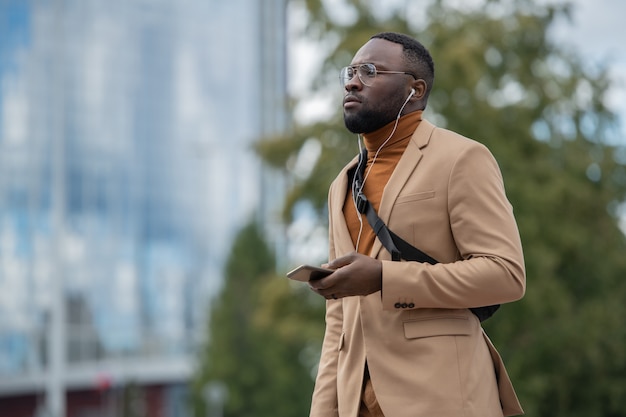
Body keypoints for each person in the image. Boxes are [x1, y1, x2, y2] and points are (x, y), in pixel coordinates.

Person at [307, 32, 526, 417]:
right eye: (351, 71)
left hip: (442, 398)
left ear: (415, 89)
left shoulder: (462, 158)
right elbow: (338, 322)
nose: (353, 81)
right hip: (355, 402)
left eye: (371, 71)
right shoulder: (342, 183)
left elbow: (505, 274)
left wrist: (383, 279)